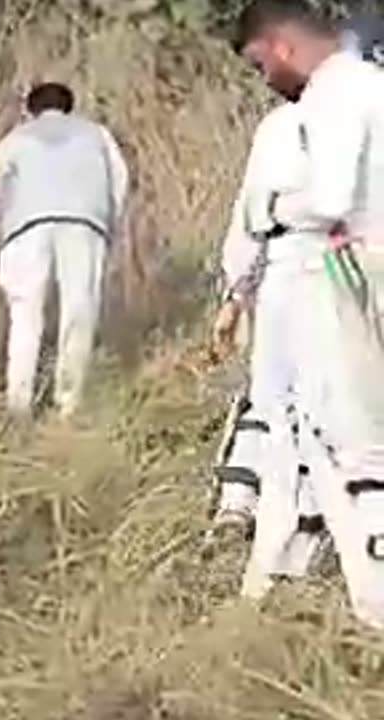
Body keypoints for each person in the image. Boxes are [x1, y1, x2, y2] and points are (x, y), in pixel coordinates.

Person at [234, 0, 384, 629]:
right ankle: (275, 585)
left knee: (350, 449)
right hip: (365, 268)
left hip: (346, 274)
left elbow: (327, 196)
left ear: (282, 46)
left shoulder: (334, 94)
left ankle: (373, 607)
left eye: (259, 63)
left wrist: (272, 207)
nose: (264, 78)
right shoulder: (373, 85)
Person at [208, 98, 327, 588]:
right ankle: (301, 540)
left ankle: (237, 506)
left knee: (270, 397)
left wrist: (235, 294)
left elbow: (251, 217)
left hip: (286, 272)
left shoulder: (281, 125)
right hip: (359, 281)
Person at [0, 82, 128, 419]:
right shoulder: (96, 134)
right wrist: (109, 224)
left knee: (25, 317)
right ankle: (68, 403)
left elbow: (1, 194)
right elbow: (120, 180)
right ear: (70, 106)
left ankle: (18, 404)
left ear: (30, 109)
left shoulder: (15, 139)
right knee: (79, 312)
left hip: (26, 227)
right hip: (84, 224)